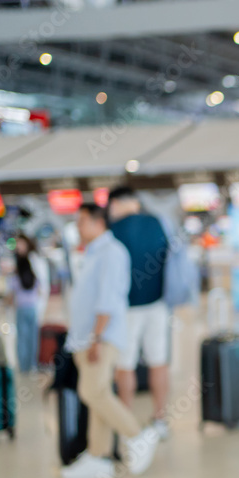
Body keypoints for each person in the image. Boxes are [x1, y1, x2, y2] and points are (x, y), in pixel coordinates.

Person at [61, 204, 158, 478]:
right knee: (98, 394)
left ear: (98, 222)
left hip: (99, 337)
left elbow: (109, 299)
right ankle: (98, 455)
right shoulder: (92, 253)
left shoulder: (112, 253)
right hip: (85, 338)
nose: (77, 228)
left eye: (81, 222)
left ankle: (137, 435)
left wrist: (97, 338)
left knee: (92, 392)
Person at [106, 186, 171, 439]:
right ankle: (160, 418)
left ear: (117, 203)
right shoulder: (156, 222)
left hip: (127, 308)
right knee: (159, 361)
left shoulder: (115, 230)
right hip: (158, 303)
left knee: (125, 366)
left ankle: (126, 421)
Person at [7, 253, 40, 376]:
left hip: (21, 309)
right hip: (32, 309)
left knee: (22, 338)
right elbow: (40, 292)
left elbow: (10, 297)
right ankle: (32, 364)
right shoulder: (34, 277)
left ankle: (23, 366)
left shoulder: (15, 278)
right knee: (33, 338)